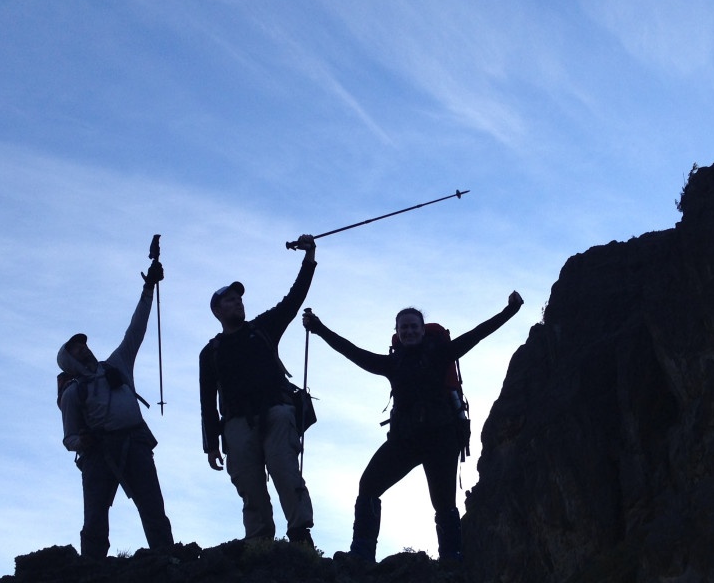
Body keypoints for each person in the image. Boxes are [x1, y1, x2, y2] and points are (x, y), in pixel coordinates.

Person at [303, 291, 524, 562]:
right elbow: (353, 352)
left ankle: (451, 560)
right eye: (404, 327)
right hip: (406, 440)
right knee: (369, 485)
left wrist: (509, 311)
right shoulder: (392, 364)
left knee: (443, 502)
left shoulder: (441, 354)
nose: (409, 331)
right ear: (397, 332)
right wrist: (319, 329)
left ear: (422, 330)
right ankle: (362, 553)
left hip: (441, 440)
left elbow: (477, 334)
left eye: (413, 326)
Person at [200, 234, 318, 547]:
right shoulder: (210, 352)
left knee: (286, 472)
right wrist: (211, 444)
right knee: (249, 486)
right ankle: (259, 543)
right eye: (229, 300)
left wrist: (309, 258)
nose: (237, 302)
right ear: (217, 310)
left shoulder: (263, 327)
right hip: (236, 423)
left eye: (238, 298)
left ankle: (300, 536)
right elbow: (207, 401)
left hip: (276, 411)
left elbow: (293, 299)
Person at [56, 257, 175, 559]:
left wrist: (149, 287)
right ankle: (92, 571)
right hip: (98, 453)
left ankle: (168, 561)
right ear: (68, 360)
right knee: (95, 518)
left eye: (83, 344)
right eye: (76, 348)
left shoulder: (117, 364)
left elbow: (136, 329)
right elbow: (69, 438)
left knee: (153, 507)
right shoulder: (73, 393)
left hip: (135, 442)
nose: (83, 347)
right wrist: (82, 442)